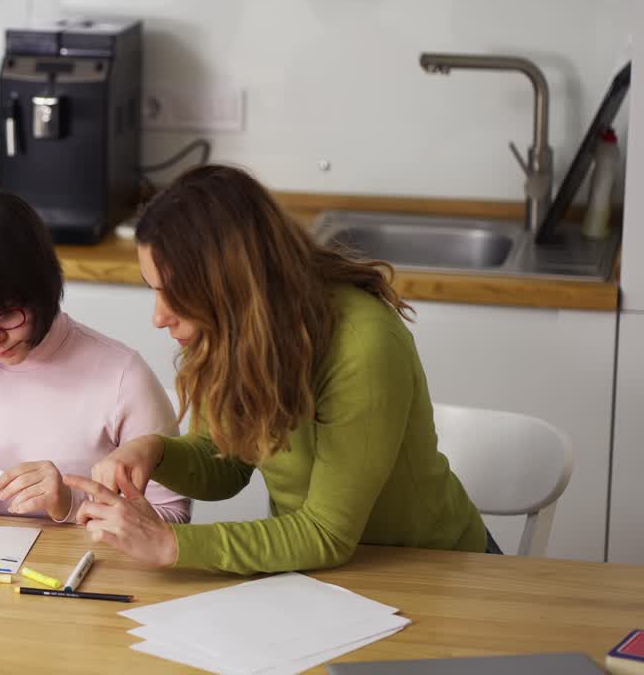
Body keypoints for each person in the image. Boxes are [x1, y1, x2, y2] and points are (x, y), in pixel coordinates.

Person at [66, 164, 492, 574]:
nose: (159, 317)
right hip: (325, 576)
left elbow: (327, 534)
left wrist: (169, 544)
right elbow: (226, 467)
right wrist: (154, 452)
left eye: (176, 292)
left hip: (436, 570)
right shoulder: (230, 333)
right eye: (154, 290)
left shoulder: (362, 343)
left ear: (233, 283)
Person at [0, 189, 189, 524]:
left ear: (41, 286)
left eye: (7, 314)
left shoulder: (123, 375)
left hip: (79, 559)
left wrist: (72, 504)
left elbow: (173, 518)